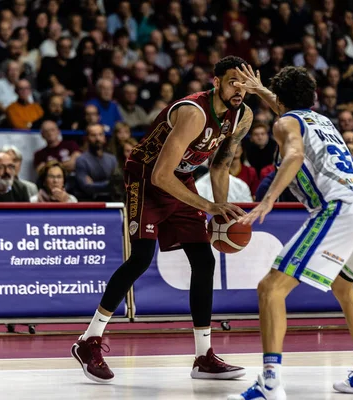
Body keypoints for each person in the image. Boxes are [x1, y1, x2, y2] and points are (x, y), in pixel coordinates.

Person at [71, 56, 254, 383]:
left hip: (180, 178)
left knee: (203, 259)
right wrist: (207, 206)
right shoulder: (194, 113)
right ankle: (88, 341)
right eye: (232, 82)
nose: (238, 89)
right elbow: (159, 175)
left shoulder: (241, 115)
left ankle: (203, 357)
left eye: (244, 83)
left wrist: (221, 208)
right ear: (216, 82)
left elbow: (220, 165)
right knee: (141, 258)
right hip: (146, 176)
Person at [229, 66, 353, 400]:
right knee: (344, 287)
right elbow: (288, 111)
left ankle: (270, 382)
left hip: (340, 206)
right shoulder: (321, 120)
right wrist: (261, 90)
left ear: (280, 99)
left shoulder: (284, 123)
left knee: (270, 288)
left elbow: (295, 153)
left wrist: (269, 198)